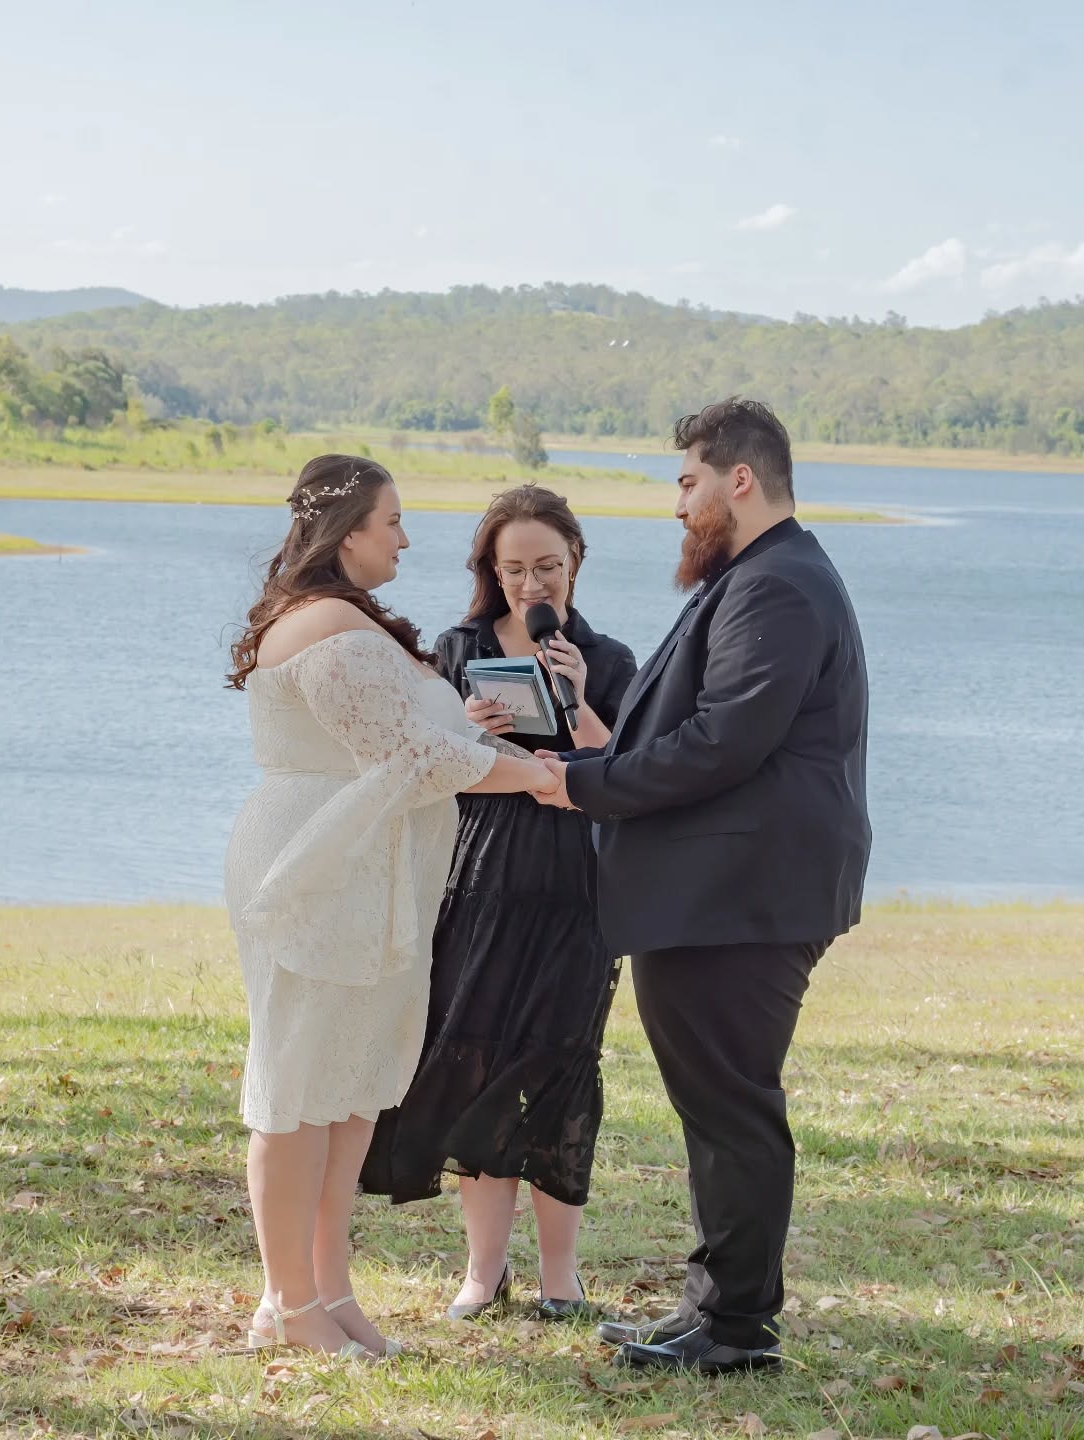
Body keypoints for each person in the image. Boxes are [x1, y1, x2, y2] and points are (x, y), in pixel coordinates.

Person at [536, 399, 871, 1374]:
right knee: (718, 1109)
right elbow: (703, 733)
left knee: (731, 1108)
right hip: (721, 895)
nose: (678, 504)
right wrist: (597, 757)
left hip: (739, 899)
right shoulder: (759, 578)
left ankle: (734, 1331)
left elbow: (724, 743)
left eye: (688, 483)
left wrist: (582, 785)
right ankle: (715, 1313)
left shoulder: (780, 586)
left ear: (740, 478)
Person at [224, 455, 559, 1360]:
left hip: (374, 867)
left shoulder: (355, 617)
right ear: (348, 533)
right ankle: (286, 1304)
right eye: (393, 521)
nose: (406, 539)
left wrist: (498, 745)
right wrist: (537, 779)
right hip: (318, 862)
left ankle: (329, 1289)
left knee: (350, 1088)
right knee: (298, 1086)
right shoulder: (324, 622)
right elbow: (408, 756)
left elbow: (422, 737)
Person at [361, 486, 636, 1322]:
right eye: (513, 568)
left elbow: (632, 773)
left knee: (560, 1064)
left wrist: (578, 700)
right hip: (479, 874)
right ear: (491, 570)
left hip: (577, 884)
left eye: (547, 566)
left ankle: (561, 1277)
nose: (531, 584)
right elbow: (426, 761)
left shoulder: (610, 658)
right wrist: (472, 730)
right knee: (476, 1060)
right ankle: (483, 1273)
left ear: (575, 562)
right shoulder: (461, 648)